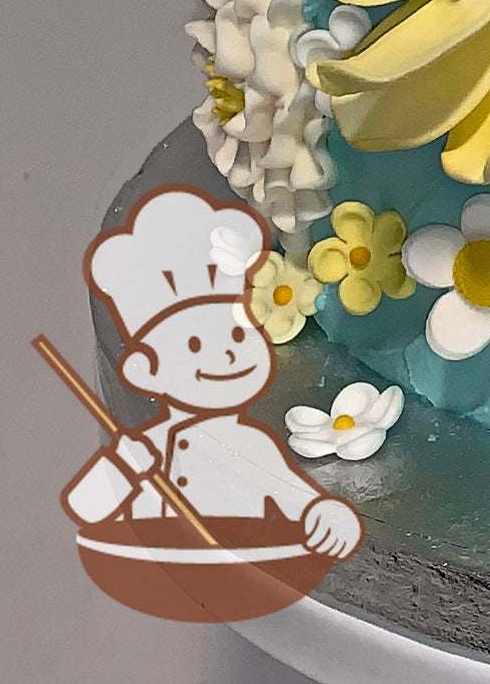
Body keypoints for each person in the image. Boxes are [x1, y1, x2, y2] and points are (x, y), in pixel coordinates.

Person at [61, 184, 360, 557]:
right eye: (195, 345)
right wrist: (126, 462)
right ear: (144, 371)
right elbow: (87, 505)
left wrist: (328, 515)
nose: (229, 355)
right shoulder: (148, 443)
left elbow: (302, 500)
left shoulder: (251, 447)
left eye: (236, 335)